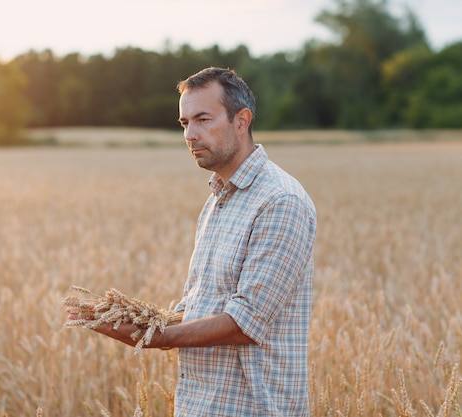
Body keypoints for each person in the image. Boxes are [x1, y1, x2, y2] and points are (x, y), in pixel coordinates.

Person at [78, 67, 317, 416]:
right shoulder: (218, 198)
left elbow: (245, 322)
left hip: (252, 408)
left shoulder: (280, 202)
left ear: (242, 120)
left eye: (203, 119)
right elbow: (202, 304)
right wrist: (143, 320)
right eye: (184, 123)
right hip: (201, 405)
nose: (190, 134)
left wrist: (157, 338)